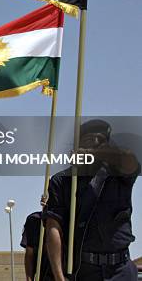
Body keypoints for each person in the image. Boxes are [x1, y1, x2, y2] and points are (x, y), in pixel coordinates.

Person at [44, 120, 140, 281]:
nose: (96, 145)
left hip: (121, 269)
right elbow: (53, 228)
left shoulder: (119, 174)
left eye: (102, 142)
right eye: (89, 140)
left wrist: (93, 152)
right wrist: (59, 277)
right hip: (84, 270)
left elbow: (129, 158)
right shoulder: (62, 181)